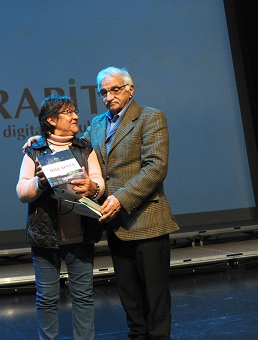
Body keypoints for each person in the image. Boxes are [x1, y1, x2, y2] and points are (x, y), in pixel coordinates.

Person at [82, 66, 180, 339]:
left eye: (114, 90)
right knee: (130, 297)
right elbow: (78, 150)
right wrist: (42, 141)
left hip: (146, 221)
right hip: (115, 225)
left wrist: (120, 198)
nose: (108, 97)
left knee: (155, 297)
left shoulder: (150, 117)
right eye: (103, 92)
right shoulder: (98, 123)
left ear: (130, 89)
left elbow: (155, 168)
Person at [16, 94, 105, 340]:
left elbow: (99, 181)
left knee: (84, 297)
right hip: (45, 237)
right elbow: (22, 192)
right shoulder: (34, 150)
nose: (76, 116)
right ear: (52, 120)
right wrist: (39, 182)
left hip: (81, 234)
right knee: (46, 299)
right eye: (69, 112)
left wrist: (92, 186)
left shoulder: (83, 148)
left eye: (75, 111)